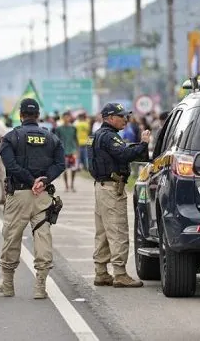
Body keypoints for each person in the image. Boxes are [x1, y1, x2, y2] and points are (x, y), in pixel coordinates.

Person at [0, 98, 65, 298]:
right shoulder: (52, 138)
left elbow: (10, 165)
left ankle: (8, 284)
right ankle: (40, 286)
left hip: (18, 195)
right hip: (42, 196)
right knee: (42, 237)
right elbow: (60, 164)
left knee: (12, 236)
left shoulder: (11, 137)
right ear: (37, 116)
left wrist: (29, 180)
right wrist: (42, 181)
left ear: (20, 115)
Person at [87, 103, 151, 288]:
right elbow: (123, 154)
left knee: (103, 233)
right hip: (112, 188)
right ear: (109, 118)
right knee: (118, 231)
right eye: (121, 116)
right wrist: (144, 144)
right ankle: (120, 274)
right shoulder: (109, 137)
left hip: (101, 187)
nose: (125, 119)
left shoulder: (97, 135)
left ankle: (101, 272)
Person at [55, 111, 79, 192]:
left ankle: (72, 185)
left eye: (68, 117)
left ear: (70, 118)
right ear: (63, 118)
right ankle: (66, 186)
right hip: (63, 151)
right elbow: (57, 140)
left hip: (72, 151)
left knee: (74, 169)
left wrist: (77, 151)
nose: (66, 118)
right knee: (64, 170)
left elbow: (76, 140)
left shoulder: (73, 128)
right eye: (65, 117)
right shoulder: (59, 129)